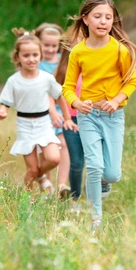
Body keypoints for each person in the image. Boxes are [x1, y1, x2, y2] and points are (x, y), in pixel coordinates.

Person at [62, 0, 136, 230]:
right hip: (88, 116)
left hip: (113, 116)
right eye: (97, 16)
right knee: (95, 167)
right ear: (86, 19)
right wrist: (77, 103)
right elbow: (67, 87)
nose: (103, 21)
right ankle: (95, 218)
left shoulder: (120, 51)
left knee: (113, 173)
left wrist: (117, 99)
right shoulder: (78, 52)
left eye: (108, 17)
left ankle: (105, 185)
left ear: (113, 21)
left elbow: (132, 81)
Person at [0, 28, 77, 198]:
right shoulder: (14, 81)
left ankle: (41, 176)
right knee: (31, 169)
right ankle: (26, 199)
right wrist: (3, 110)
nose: (31, 59)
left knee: (54, 159)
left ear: (40, 55)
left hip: (44, 123)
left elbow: (59, 97)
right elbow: (5, 101)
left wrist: (68, 118)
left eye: (35, 55)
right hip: (25, 125)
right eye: (26, 56)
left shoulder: (46, 78)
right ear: (17, 57)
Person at [33, 23, 71, 200]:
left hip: (57, 109)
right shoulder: (35, 63)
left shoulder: (62, 61)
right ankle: (46, 185)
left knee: (63, 145)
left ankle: (62, 183)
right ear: (39, 44)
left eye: (53, 46)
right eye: (45, 45)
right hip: (40, 111)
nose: (49, 49)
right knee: (45, 149)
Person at [54, 44, 86, 212]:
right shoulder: (64, 71)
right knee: (77, 161)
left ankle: (94, 193)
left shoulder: (94, 67)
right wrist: (54, 113)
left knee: (96, 161)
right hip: (71, 119)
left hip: (91, 118)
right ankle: (74, 199)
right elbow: (52, 94)